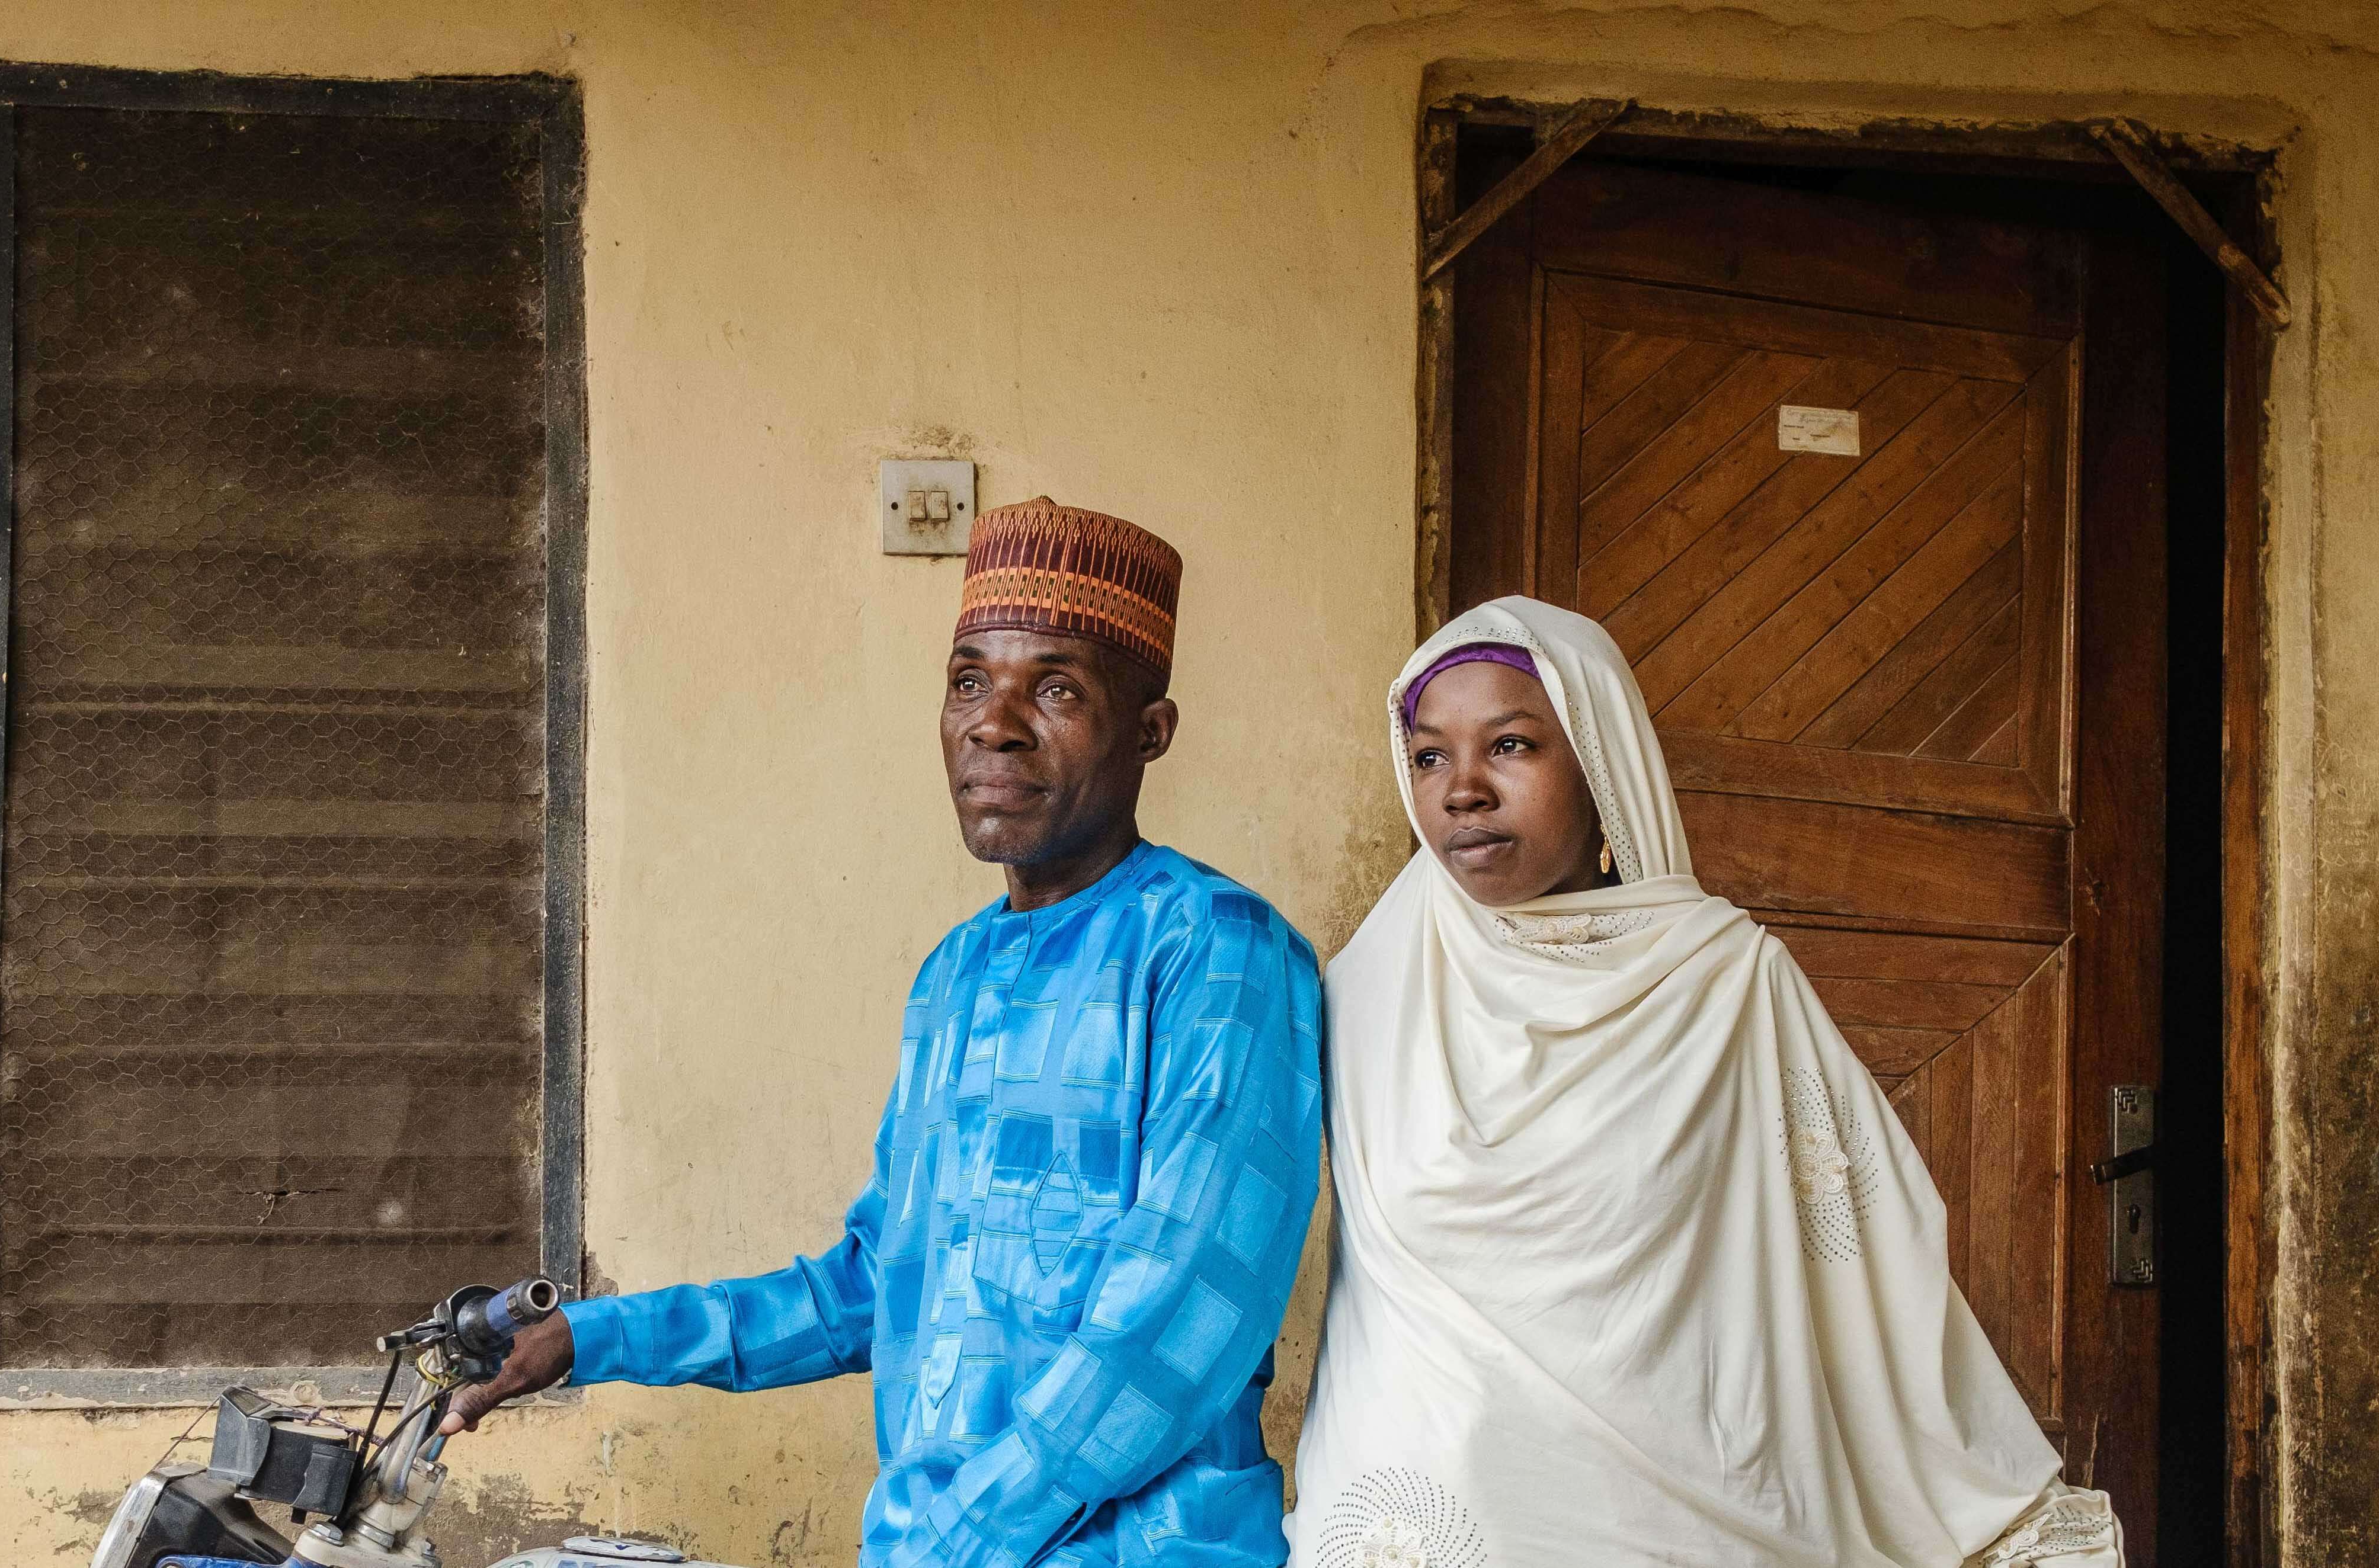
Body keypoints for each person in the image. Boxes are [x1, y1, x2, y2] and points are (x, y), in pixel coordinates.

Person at [450, 498, 1327, 1568]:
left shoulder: (1218, 949)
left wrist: (958, 1536)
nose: (993, 723)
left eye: (1056, 688)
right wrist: (593, 1339)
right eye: (969, 682)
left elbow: (1180, 1321)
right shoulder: (955, 974)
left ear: (1149, 731)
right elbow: (878, 1285)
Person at [1287, 597, 2121, 1568]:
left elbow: (1860, 1246)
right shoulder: (1368, 987)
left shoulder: (1726, 982)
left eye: (1511, 746)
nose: (1463, 789)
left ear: (1601, 764)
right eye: (1430, 757)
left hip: (1683, 1511)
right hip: (1427, 1507)